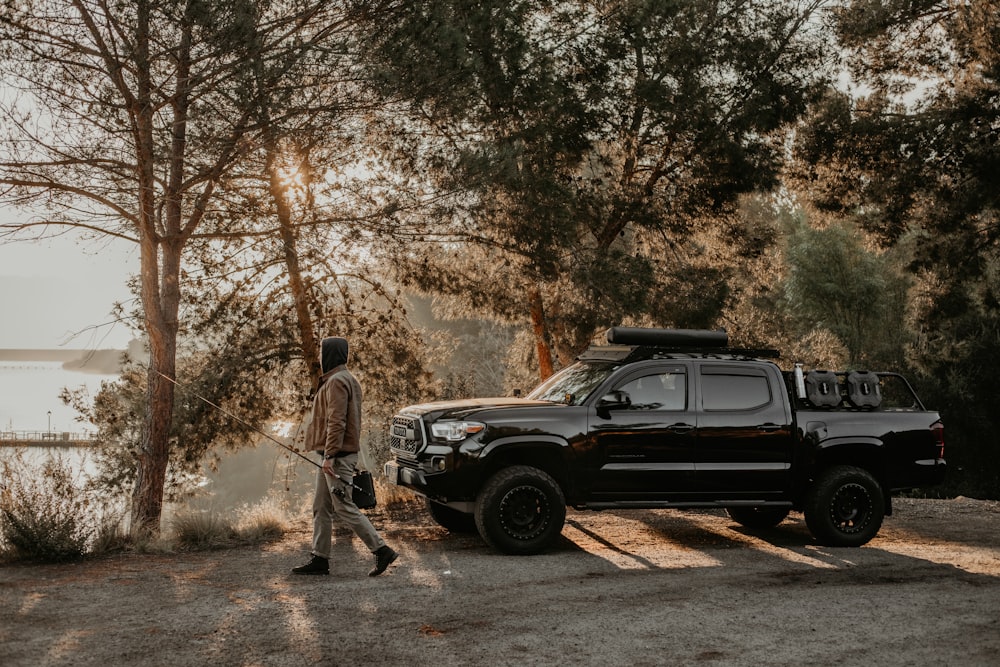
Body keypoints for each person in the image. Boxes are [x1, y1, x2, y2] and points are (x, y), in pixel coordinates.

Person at [292, 337, 398, 577]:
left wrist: (330, 455)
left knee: (344, 506)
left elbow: (337, 422)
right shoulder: (339, 379)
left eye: (323, 352)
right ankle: (320, 558)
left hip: (337, 457)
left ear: (330, 354)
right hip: (330, 456)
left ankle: (382, 550)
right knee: (321, 506)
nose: (320, 357)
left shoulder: (338, 381)